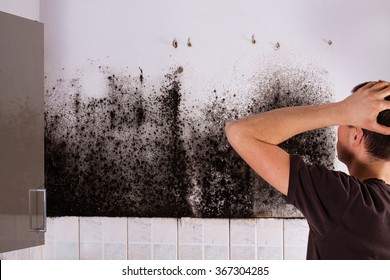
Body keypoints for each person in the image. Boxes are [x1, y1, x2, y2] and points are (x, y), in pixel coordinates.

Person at [225, 81, 390, 259]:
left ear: (356, 135)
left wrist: (341, 110)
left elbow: (240, 132)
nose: (338, 127)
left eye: (346, 121)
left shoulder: (346, 199)